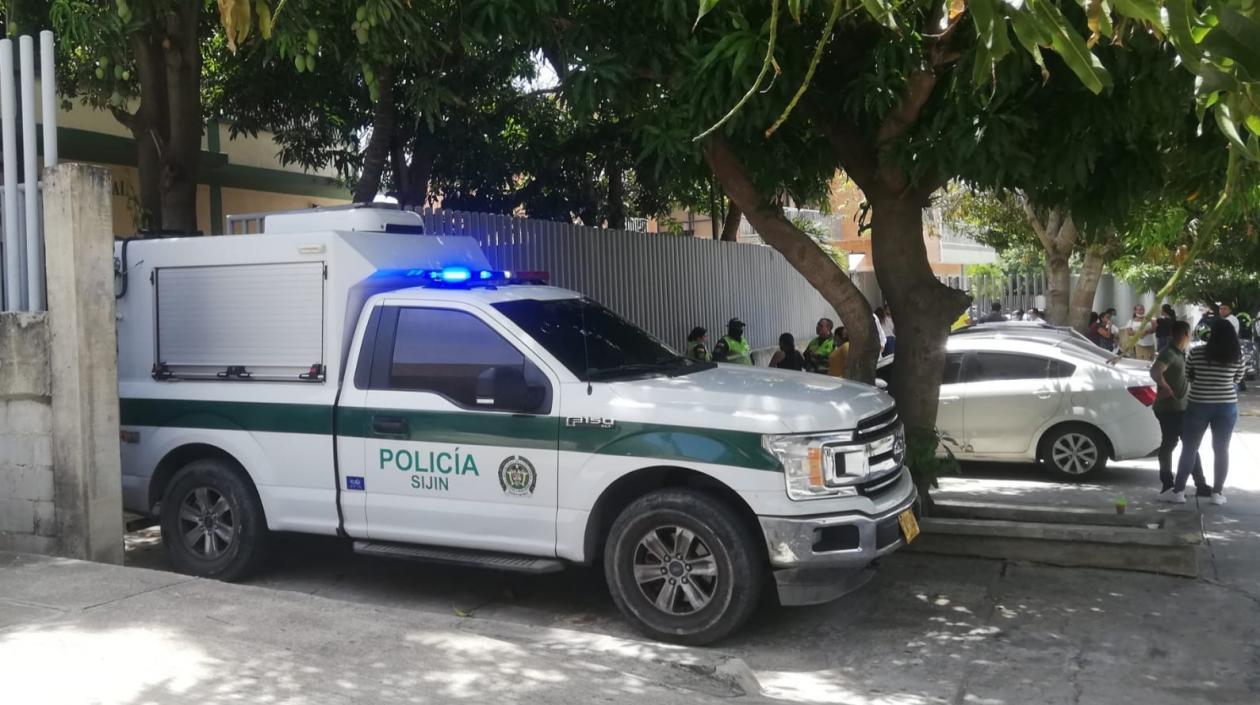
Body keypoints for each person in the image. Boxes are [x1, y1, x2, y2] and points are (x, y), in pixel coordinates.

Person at [1164, 318, 1246, 506]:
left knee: (1190, 448)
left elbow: (1189, 375)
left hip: (1198, 404)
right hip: (1226, 406)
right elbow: (1238, 378)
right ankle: (1217, 494)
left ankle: (1178, 491)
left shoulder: (1196, 352)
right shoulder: (1237, 355)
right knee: (1221, 449)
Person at [1151, 321, 1210, 499]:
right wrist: (1165, 387)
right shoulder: (1169, 353)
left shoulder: (1181, 353)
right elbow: (1155, 371)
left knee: (1185, 445)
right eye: (1190, 333)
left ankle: (1198, 483)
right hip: (1170, 409)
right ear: (1185, 333)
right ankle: (1170, 482)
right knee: (1173, 445)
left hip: (1182, 408)